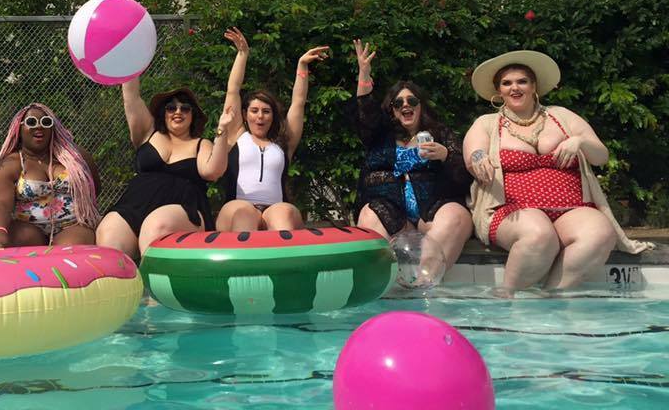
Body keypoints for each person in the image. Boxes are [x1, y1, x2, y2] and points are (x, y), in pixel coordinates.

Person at [464, 50, 651, 295]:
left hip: (571, 209)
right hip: (512, 211)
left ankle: (551, 299)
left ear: (534, 86)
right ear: (499, 91)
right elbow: (473, 153)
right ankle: (506, 298)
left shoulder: (562, 116)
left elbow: (601, 156)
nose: (515, 88)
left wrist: (579, 141)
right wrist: (479, 158)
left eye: (522, 81)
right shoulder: (486, 123)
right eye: (507, 83)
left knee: (601, 234)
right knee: (539, 234)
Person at [349, 39, 473, 275]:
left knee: (457, 216)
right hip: (391, 212)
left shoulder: (440, 133)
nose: (405, 105)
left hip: (432, 210)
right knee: (369, 214)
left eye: (412, 101)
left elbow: (463, 176)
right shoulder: (380, 136)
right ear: (392, 110)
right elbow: (365, 113)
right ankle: (386, 284)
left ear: (420, 106)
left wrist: (446, 155)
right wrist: (364, 74)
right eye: (398, 103)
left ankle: (425, 282)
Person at [95, 78, 234, 259]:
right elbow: (131, 97)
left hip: (183, 210)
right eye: (171, 108)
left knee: (156, 226)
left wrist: (222, 130)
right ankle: (118, 277)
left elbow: (212, 171)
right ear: (163, 112)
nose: (178, 112)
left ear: (193, 115)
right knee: (108, 231)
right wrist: (130, 63)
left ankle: (150, 278)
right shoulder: (148, 131)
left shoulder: (201, 143)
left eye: (185, 108)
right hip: (135, 204)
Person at [215, 27, 327, 232]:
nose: (260, 116)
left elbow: (298, 102)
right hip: (238, 208)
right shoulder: (236, 136)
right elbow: (233, 90)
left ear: (273, 116)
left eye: (266, 111)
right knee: (244, 213)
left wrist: (302, 66)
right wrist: (242, 54)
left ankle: (283, 252)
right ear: (245, 114)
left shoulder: (283, 143)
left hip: (274, 209)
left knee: (283, 214)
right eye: (254, 111)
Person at [0, 104, 101, 248]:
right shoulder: (10, 164)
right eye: (31, 122)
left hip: (72, 225)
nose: (39, 126)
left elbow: (94, 189)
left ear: (53, 128)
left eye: (46, 122)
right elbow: (0, 202)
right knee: (19, 240)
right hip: (27, 227)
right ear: (19, 129)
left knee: (69, 248)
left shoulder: (76, 158)